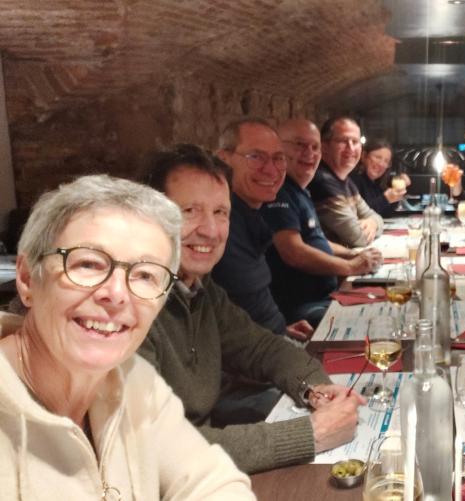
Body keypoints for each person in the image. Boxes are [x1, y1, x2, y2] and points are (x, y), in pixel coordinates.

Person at [0, 174, 253, 498]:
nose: (117, 294)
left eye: (145, 274)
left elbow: (212, 481)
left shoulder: (135, 381)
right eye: (88, 264)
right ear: (26, 279)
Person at [140, 144, 365, 474]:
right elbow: (156, 450)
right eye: (189, 211)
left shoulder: (200, 289)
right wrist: (312, 434)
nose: (210, 230)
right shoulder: (129, 309)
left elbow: (262, 348)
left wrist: (315, 387)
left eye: (221, 212)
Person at [264, 119, 382, 327]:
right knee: (378, 320)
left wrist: (352, 254)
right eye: (300, 145)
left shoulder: (300, 189)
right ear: (278, 148)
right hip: (301, 307)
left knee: (387, 306)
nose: (309, 153)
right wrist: (350, 266)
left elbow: (314, 241)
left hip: (325, 295)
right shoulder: (279, 192)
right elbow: (293, 251)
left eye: (314, 146)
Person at [211, 117, 298, 335]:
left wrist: (282, 329)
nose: (271, 170)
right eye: (256, 157)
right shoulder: (220, 227)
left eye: (278, 158)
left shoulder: (249, 215)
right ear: (223, 159)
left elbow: (247, 307)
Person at [308, 116, 384, 248]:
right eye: (343, 141)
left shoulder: (345, 180)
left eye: (355, 141)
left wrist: (373, 222)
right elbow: (357, 237)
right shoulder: (323, 181)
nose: (351, 148)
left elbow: (376, 217)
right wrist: (373, 223)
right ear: (324, 147)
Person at [350, 138, 410, 217]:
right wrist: (386, 199)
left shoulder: (378, 183)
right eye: (378, 157)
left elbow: (386, 214)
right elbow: (357, 214)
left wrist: (396, 195)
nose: (381, 164)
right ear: (364, 156)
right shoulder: (352, 180)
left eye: (386, 161)